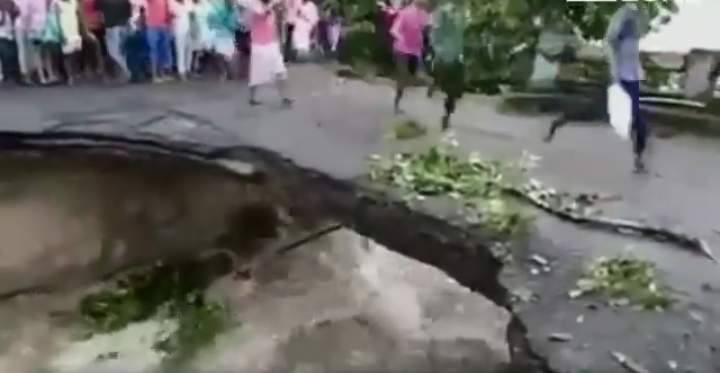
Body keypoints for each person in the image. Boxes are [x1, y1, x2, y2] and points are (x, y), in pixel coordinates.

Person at [605, 3, 647, 173]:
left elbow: (635, 55)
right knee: (634, 118)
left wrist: (640, 72)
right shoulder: (620, 23)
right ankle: (638, 154)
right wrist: (614, 71)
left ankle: (638, 156)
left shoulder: (636, 27)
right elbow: (610, 45)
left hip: (632, 78)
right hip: (621, 77)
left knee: (638, 120)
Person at [426, 2, 466, 131]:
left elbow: (462, 35)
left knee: (454, 90)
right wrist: (437, 49)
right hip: (443, 54)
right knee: (440, 77)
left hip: (457, 55)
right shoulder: (442, 12)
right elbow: (434, 32)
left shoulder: (462, 13)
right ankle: (433, 83)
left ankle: (446, 115)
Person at [247, 0, 291, 107]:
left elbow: (275, 25)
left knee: (280, 70)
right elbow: (262, 13)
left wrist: (282, 9)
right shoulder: (255, 7)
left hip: (272, 44)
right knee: (256, 73)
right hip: (259, 45)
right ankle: (252, 97)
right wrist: (272, 6)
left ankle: (284, 97)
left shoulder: (272, 9)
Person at [389, 0, 430, 114]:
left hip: (414, 51)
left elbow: (426, 29)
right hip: (401, 50)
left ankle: (400, 91)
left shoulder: (423, 15)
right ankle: (396, 103)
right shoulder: (405, 13)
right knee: (403, 77)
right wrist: (402, 38)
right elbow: (394, 30)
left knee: (412, 76)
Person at [95, 0, 132, 81]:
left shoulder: (103, 2)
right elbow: (129, 14)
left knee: (113, 52)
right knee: (122, 51)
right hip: (123, 26)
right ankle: (123, 71)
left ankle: (126, 70)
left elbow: (98, 11)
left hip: (111, 27)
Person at [141, 0, 172, 82]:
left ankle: (162, 74)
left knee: (162, 51)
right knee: (154, 51)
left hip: (163, 26)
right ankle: (154, 76)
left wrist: (168, 23)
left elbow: (167, 11)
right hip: (153, 26)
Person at [206, 0, 237, 80]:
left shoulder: (234, 12)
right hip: (221, 35)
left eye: (232, 2)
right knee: (220, 55)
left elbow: (235, 24)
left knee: (227, 56)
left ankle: (228, 73)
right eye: (229, 2)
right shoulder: (221, 12)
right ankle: (223, 72)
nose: (231, 4)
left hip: (229, 36)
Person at [56, 0, 84, 84]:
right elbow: (57, 18)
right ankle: (69, 76)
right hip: (65, 31)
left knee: (76, 52)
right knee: (67, 55)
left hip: (74, 30)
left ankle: (74, 72)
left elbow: (78, 14)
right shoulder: (57, 3)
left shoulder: (74, 2)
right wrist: (60, 32)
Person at [170, 0, 193, 80]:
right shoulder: (171, 2)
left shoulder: (188, 1)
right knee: (180, 50)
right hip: (178, 28)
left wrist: (193, 27)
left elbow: (191, 14)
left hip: (188, 27)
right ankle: (181, 71)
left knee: (189, 50)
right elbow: (170, 14)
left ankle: (188, 69)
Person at [0, 0, 20, 84]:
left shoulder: (10, 5)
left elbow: (17, 14)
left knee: (10, 55)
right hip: (3, 34)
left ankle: (10, 74)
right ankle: (6, 74)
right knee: (6, 55)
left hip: (9, 34)